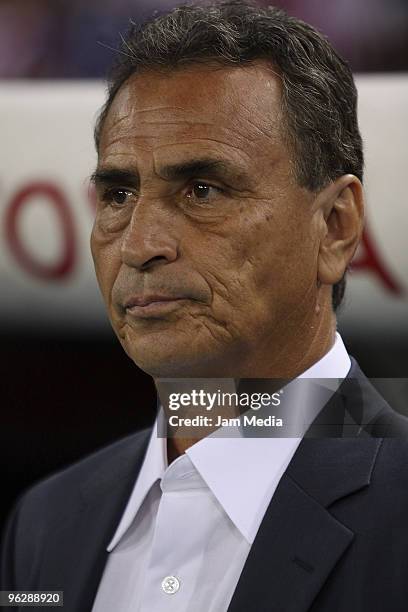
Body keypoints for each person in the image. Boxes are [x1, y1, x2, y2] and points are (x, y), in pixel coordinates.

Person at [2, 1, 408, 610]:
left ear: (335, 226)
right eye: (117, 194)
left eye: (202, 190)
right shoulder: (44, 523)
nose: (139, 245)